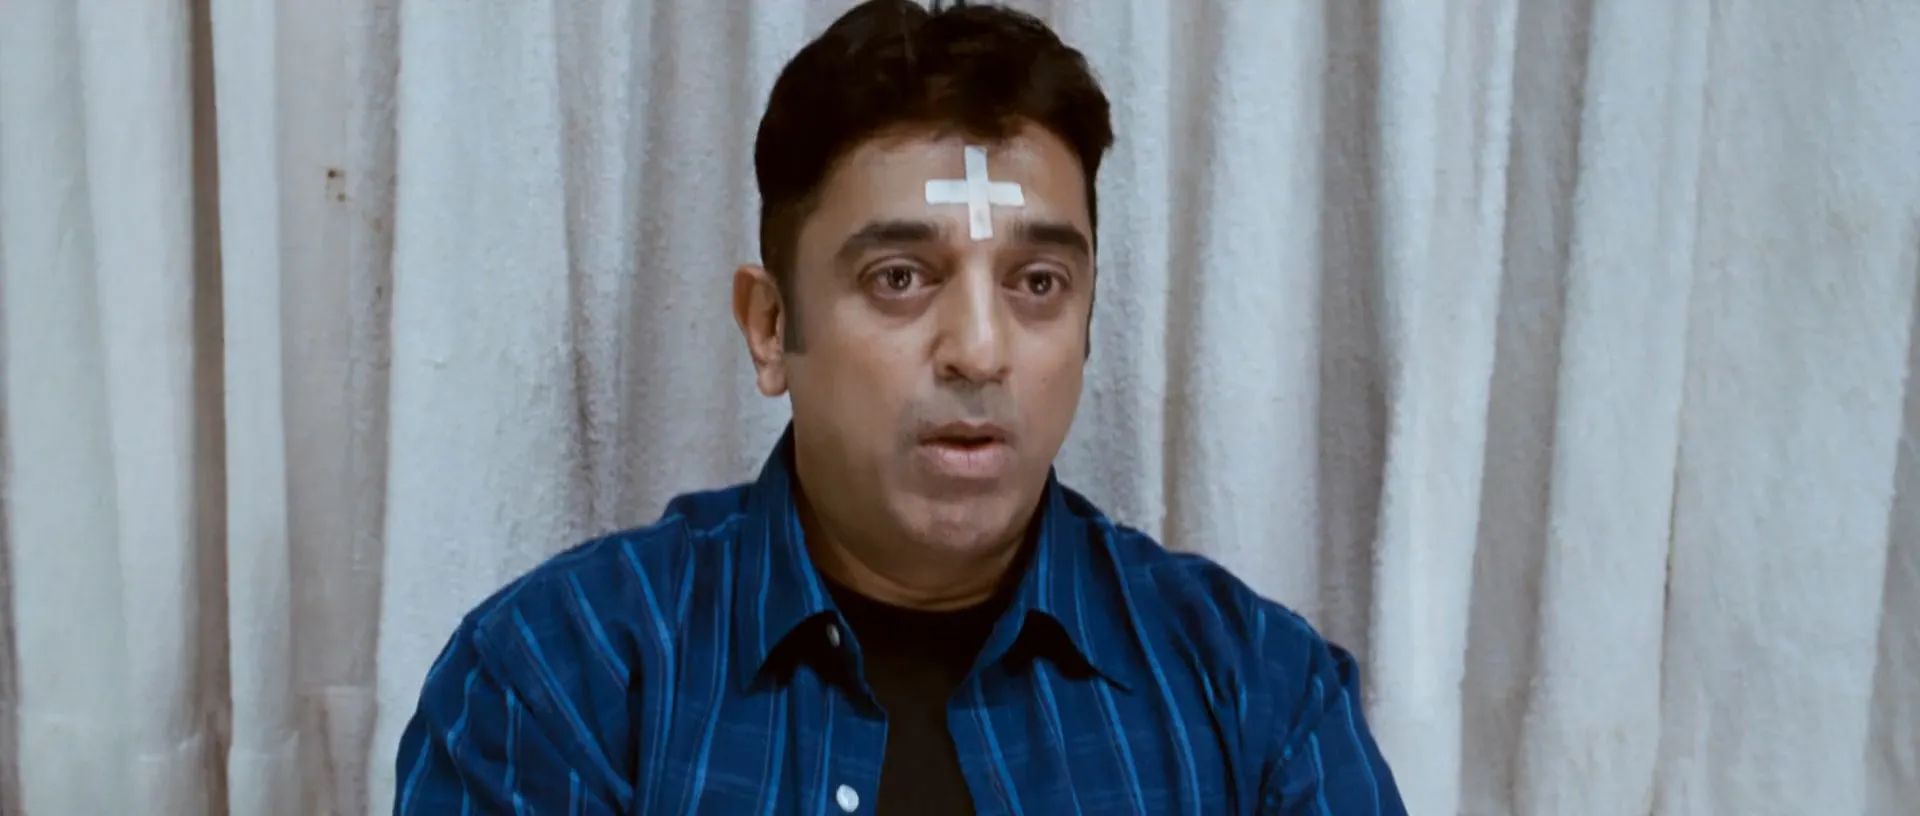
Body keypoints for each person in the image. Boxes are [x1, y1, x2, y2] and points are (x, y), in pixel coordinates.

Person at [394, 1, 1405, 813]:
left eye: (1038, 283)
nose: (980, 350)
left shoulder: (1258, 696)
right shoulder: (561, 679)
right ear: (770, 326)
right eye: (900, 279)